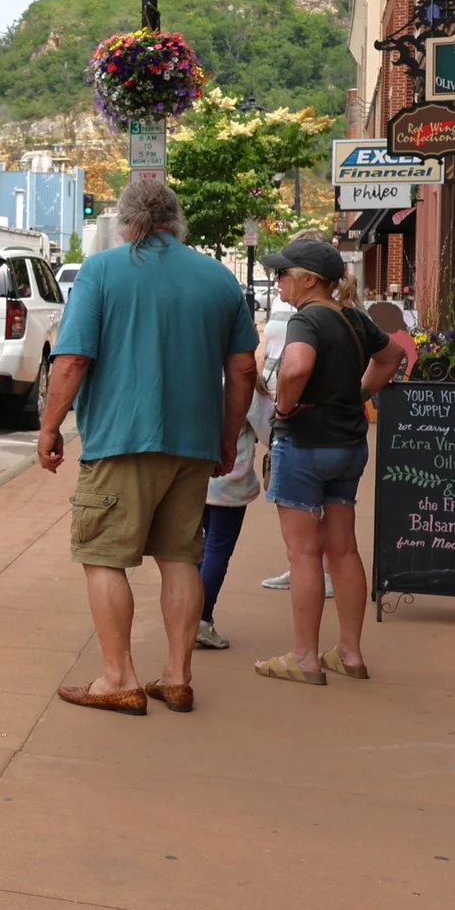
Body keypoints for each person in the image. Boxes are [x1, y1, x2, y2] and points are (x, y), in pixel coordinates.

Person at [37, 178, 257, 714]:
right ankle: (177, 676)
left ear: (126, 221)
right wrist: (227, 437)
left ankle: (118, 678)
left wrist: (49, 427)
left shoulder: (103, 270)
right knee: (181, 556)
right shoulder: (218, 277)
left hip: (121, 439)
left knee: (104, 558)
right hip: (193, 443)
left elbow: (72, 361)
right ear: (175, 220)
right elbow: (244, 368)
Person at [254, 235, 404, 685]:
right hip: (348, 446)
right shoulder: (354, 319)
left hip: (304, 446)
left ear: (308, 280)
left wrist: (282, 409)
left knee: (303, 553)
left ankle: (304, 658)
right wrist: (358, 393)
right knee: (343, 548)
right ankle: (350, 654)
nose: (278, 281)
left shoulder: (307, 320)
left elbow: (297, 368)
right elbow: (392, 355)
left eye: (283, 273)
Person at [195, 381, 274, 650]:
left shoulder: (194, 366)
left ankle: (185, 615)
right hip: (229, 479)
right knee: (217, 548)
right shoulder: (245, 383)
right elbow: (270, 431)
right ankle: (200, 621)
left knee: (198, 549)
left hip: (192, 472)